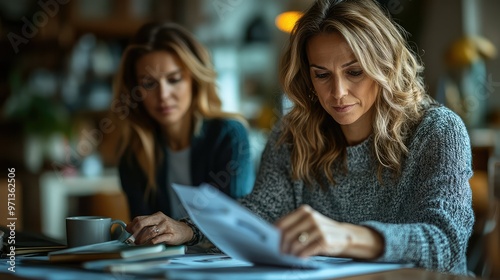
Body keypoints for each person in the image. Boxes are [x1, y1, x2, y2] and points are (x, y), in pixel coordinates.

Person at [126, 0, 475, 275]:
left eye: (354, 72)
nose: (338, 92)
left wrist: (346, 236)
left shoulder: (438, 131)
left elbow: (446, 241)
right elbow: (262, 211)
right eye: (322, 75)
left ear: (385, 65)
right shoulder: (294, 133)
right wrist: (190, 229)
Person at [111, 21, 254, 245]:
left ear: (194, 80)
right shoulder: (133, 151)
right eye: (149, 83)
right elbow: (143, 234)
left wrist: (187, 230)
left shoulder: (228, 136)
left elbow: (235, 223)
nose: (163, 95)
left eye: (174, 79)